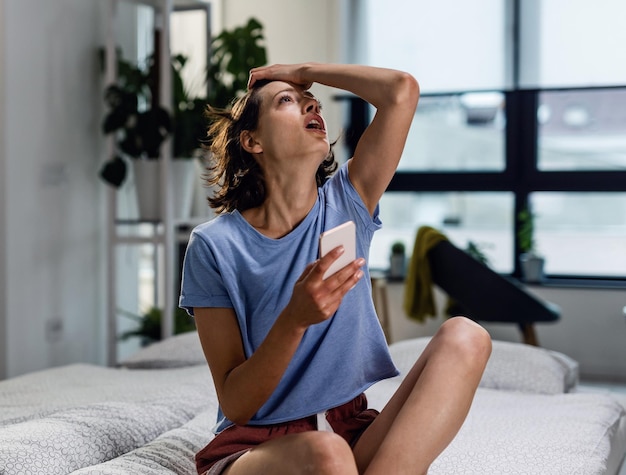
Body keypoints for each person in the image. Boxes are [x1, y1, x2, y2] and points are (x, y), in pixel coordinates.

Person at [179, 63, 492, 475]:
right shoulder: (214, 246)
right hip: (261, 447)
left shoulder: (349, 201)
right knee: (327, 455)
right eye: (287, 101)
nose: (312, 105)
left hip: (350, 430)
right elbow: (236, 402)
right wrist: (294, 320)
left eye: (313, 101)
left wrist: (303, 71)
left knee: (466, 337)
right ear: (251, 140)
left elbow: (402, 90)